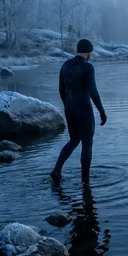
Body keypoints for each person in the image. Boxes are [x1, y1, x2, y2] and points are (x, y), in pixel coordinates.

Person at [51, 39, 107, 183]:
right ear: (88, 52)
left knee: (74, 140)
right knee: (87, 143)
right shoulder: (87, 67)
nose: (91, 56)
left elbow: (61, 90)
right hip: (84, 109)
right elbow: (93, 92)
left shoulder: (65, 65)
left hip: (70, 109)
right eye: (91, 53)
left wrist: (68, 105)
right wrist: (101, 111)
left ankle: (57, 170)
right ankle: (85, 180)